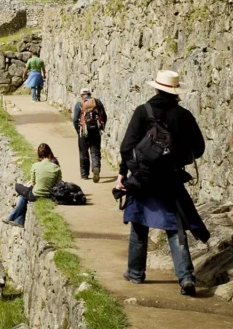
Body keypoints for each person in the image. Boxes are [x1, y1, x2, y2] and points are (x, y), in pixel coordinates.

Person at [116, 70, 208, 296]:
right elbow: (198, 149)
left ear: (156, 89)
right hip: (170, 179)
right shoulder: (184, 116)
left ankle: (135, 273)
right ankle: (186, 277)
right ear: (175, 92)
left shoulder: (143, 111)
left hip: (142, 179)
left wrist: (123, 173)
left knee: (139, 224)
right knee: (175, 228)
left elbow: (127, 147)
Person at [3, 143, 62, 227]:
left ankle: (12, 217)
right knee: (24, 196)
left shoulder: (35, 165)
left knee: (19, 188)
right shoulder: (56, 167)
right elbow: (59, 184)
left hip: (36, 194)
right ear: (50, 153)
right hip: (50, 195)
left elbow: (33, 182)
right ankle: (19, 221)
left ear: (39, 154)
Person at [72, 88, 107, 182]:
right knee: (95, 151)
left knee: (83, 152)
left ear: (81, 95)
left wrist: (78, 130)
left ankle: (84, 174)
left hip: (83, 131)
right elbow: (104, 116)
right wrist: (101, 127)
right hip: (95, 130)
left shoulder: (79, 104)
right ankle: (96, 167)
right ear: (89, 94)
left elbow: (75, 120)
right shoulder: (97, 102)